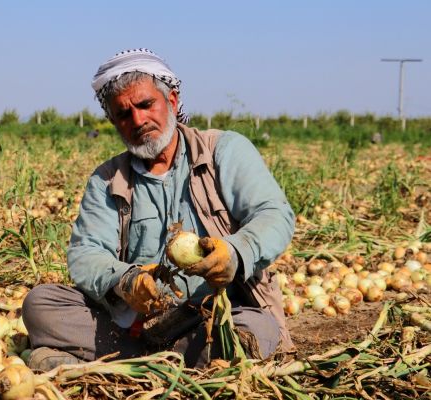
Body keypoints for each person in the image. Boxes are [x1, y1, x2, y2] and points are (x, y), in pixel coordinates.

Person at [22, 48, 295, 371]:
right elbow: (85, 253)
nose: (138, 120)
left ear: (172, 101)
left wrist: (234, 253)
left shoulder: (223, 150)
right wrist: (126, 280)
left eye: (145, 104)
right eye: (124, 114)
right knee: (40, 305)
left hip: (217, 316)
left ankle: (121, 362)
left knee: (257, 331)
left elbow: (275, 214)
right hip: (136, 324)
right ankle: (169, 362)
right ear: (113, 122)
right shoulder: (108, 179)